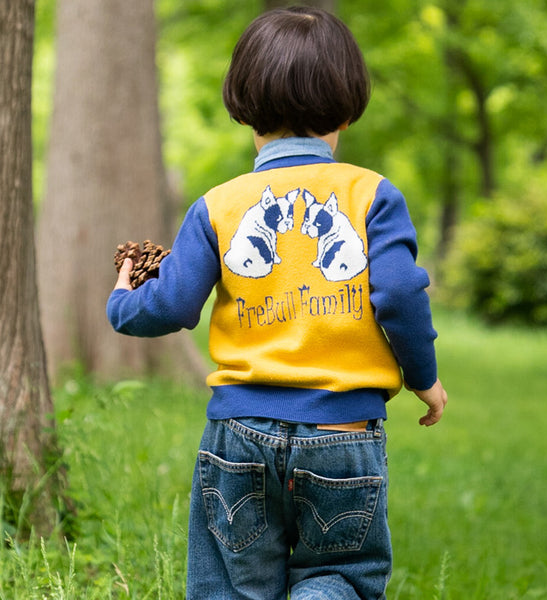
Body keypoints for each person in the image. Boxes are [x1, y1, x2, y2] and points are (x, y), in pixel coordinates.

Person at [107, 6, 448, 599]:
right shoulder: (373, 195)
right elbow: (397, 292)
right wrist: (425, 377)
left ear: (241, 102)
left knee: (232, 585)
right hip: (343, 430)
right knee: (338, 576)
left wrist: (122, 295)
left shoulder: (217, 205)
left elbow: (170, 307)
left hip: (238, 433)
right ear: (347, 107)